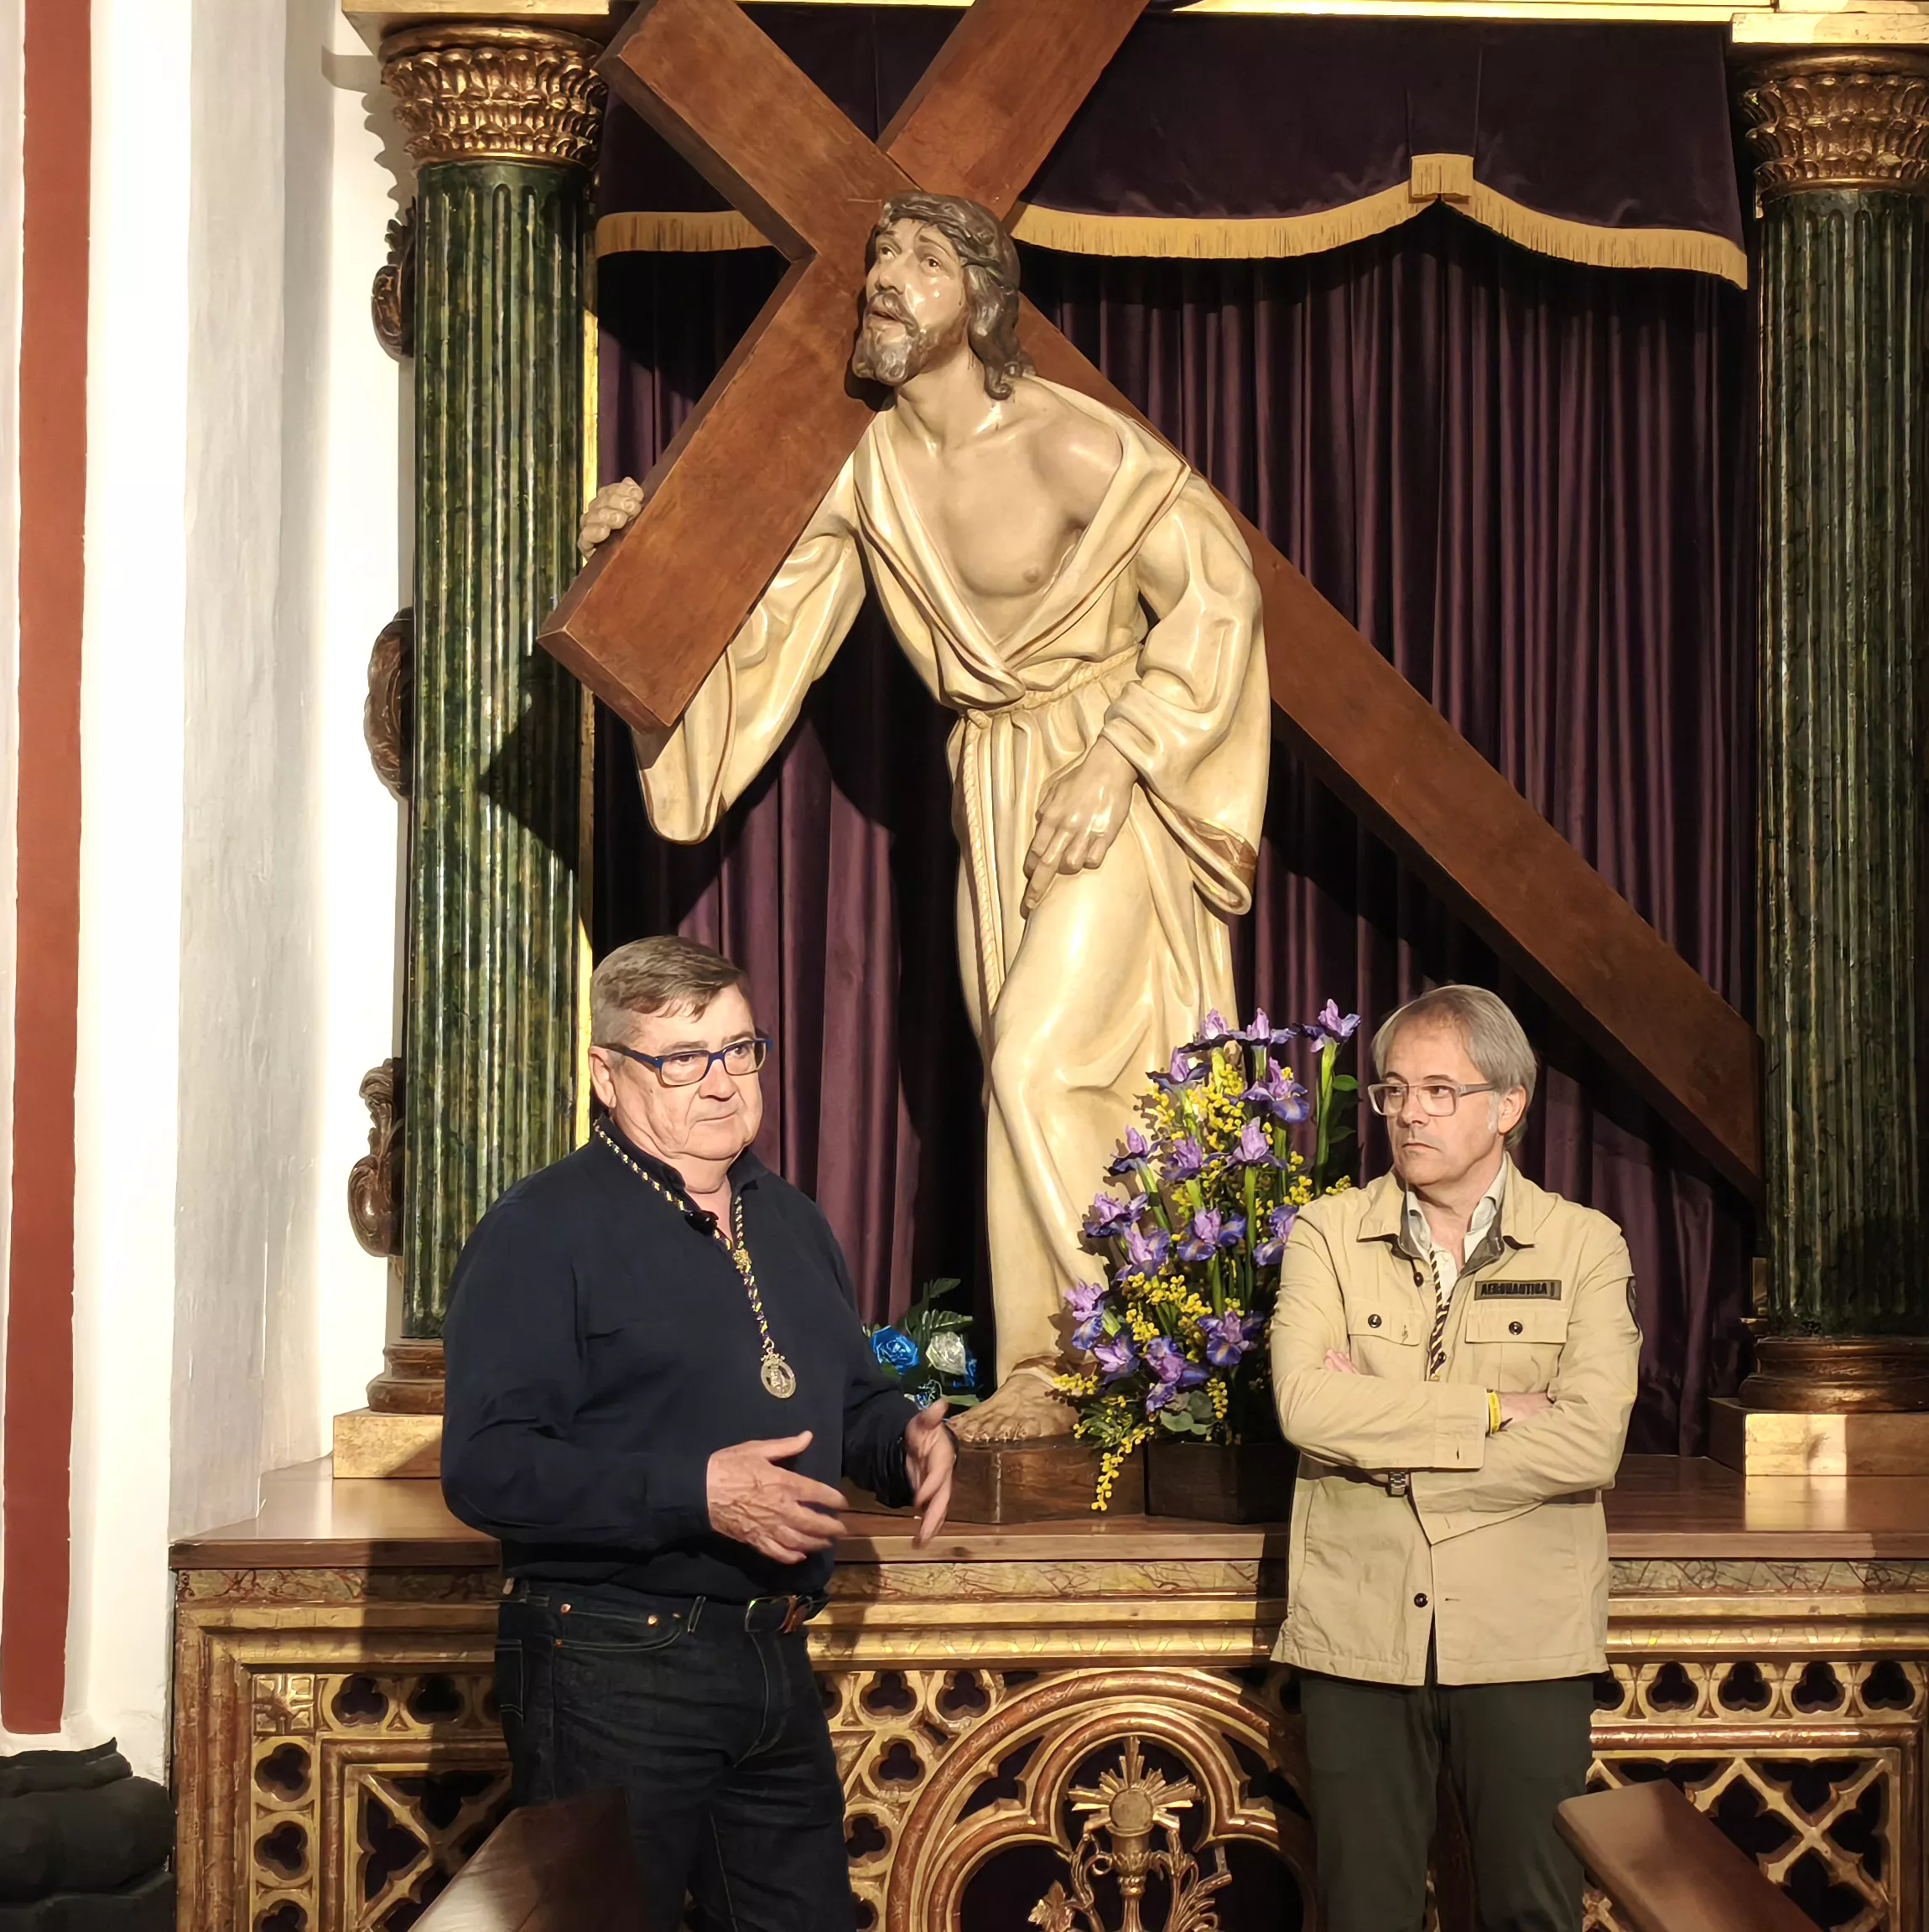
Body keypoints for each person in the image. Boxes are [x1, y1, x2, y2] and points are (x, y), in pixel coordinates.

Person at [580, 190, 1271, 1449]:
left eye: (920, 258)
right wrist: (638, 580)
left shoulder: (1070, 446)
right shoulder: (869, 474)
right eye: (878, 256)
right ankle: (1087, 1365)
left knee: (1038, 1062)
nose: (884, 278)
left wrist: (1120, 755)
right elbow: (763, 635)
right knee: (1038, 1070)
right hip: (994, 783)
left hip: (1108, 773)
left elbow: (1220, 600)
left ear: (985, 301)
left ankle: (1126, 1378)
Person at [443, 936, 959, 1932]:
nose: (721, 1084)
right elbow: (487, 1468)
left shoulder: (794, 1221)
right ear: (606, 1072)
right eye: (682, 1059)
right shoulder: (540, 1231)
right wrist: (696, 1491)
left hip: (771, 1659)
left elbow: (841, 1403)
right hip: (612, 1663)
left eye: (740, 1050)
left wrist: (902, 1440)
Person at [1264, 986, 1640, 1932]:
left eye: (1440, 1089)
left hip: (1525, 1637)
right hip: (1359, 1634)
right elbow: (1306, 1406)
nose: (1411, 1113)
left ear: (1509, 1105)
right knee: (1362, 1913)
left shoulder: (1585, 1244)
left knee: (1530, 1909)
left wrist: (1387, 1453)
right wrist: (1488, 1412)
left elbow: (1590, 1438)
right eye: (1395, 1092)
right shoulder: (1325, 1234)